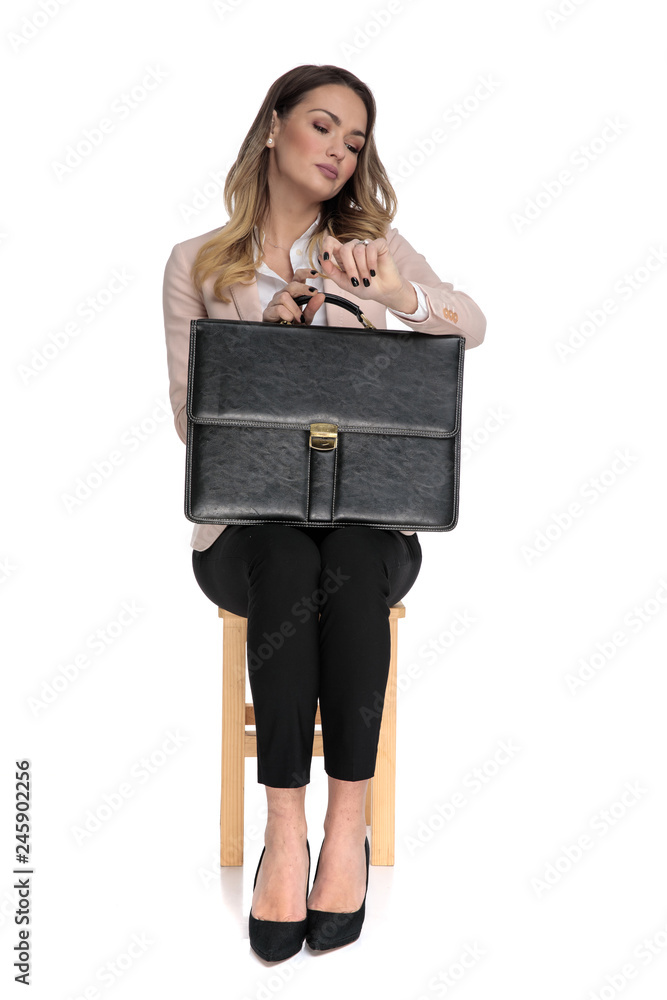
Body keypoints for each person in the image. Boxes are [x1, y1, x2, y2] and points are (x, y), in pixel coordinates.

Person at [163, 63, 486, 961]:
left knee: (338, 557)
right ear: (272, 128)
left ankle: (345, 832)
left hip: (367, 522)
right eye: (322, 126)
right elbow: (192, 419)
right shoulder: (198, 263)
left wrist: (391, 298)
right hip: (246, 531)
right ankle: (285, 833)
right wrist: (269, 334)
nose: (340, 151)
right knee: (291, 556)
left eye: (355, 139)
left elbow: (472, 326)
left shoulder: (375, 247)